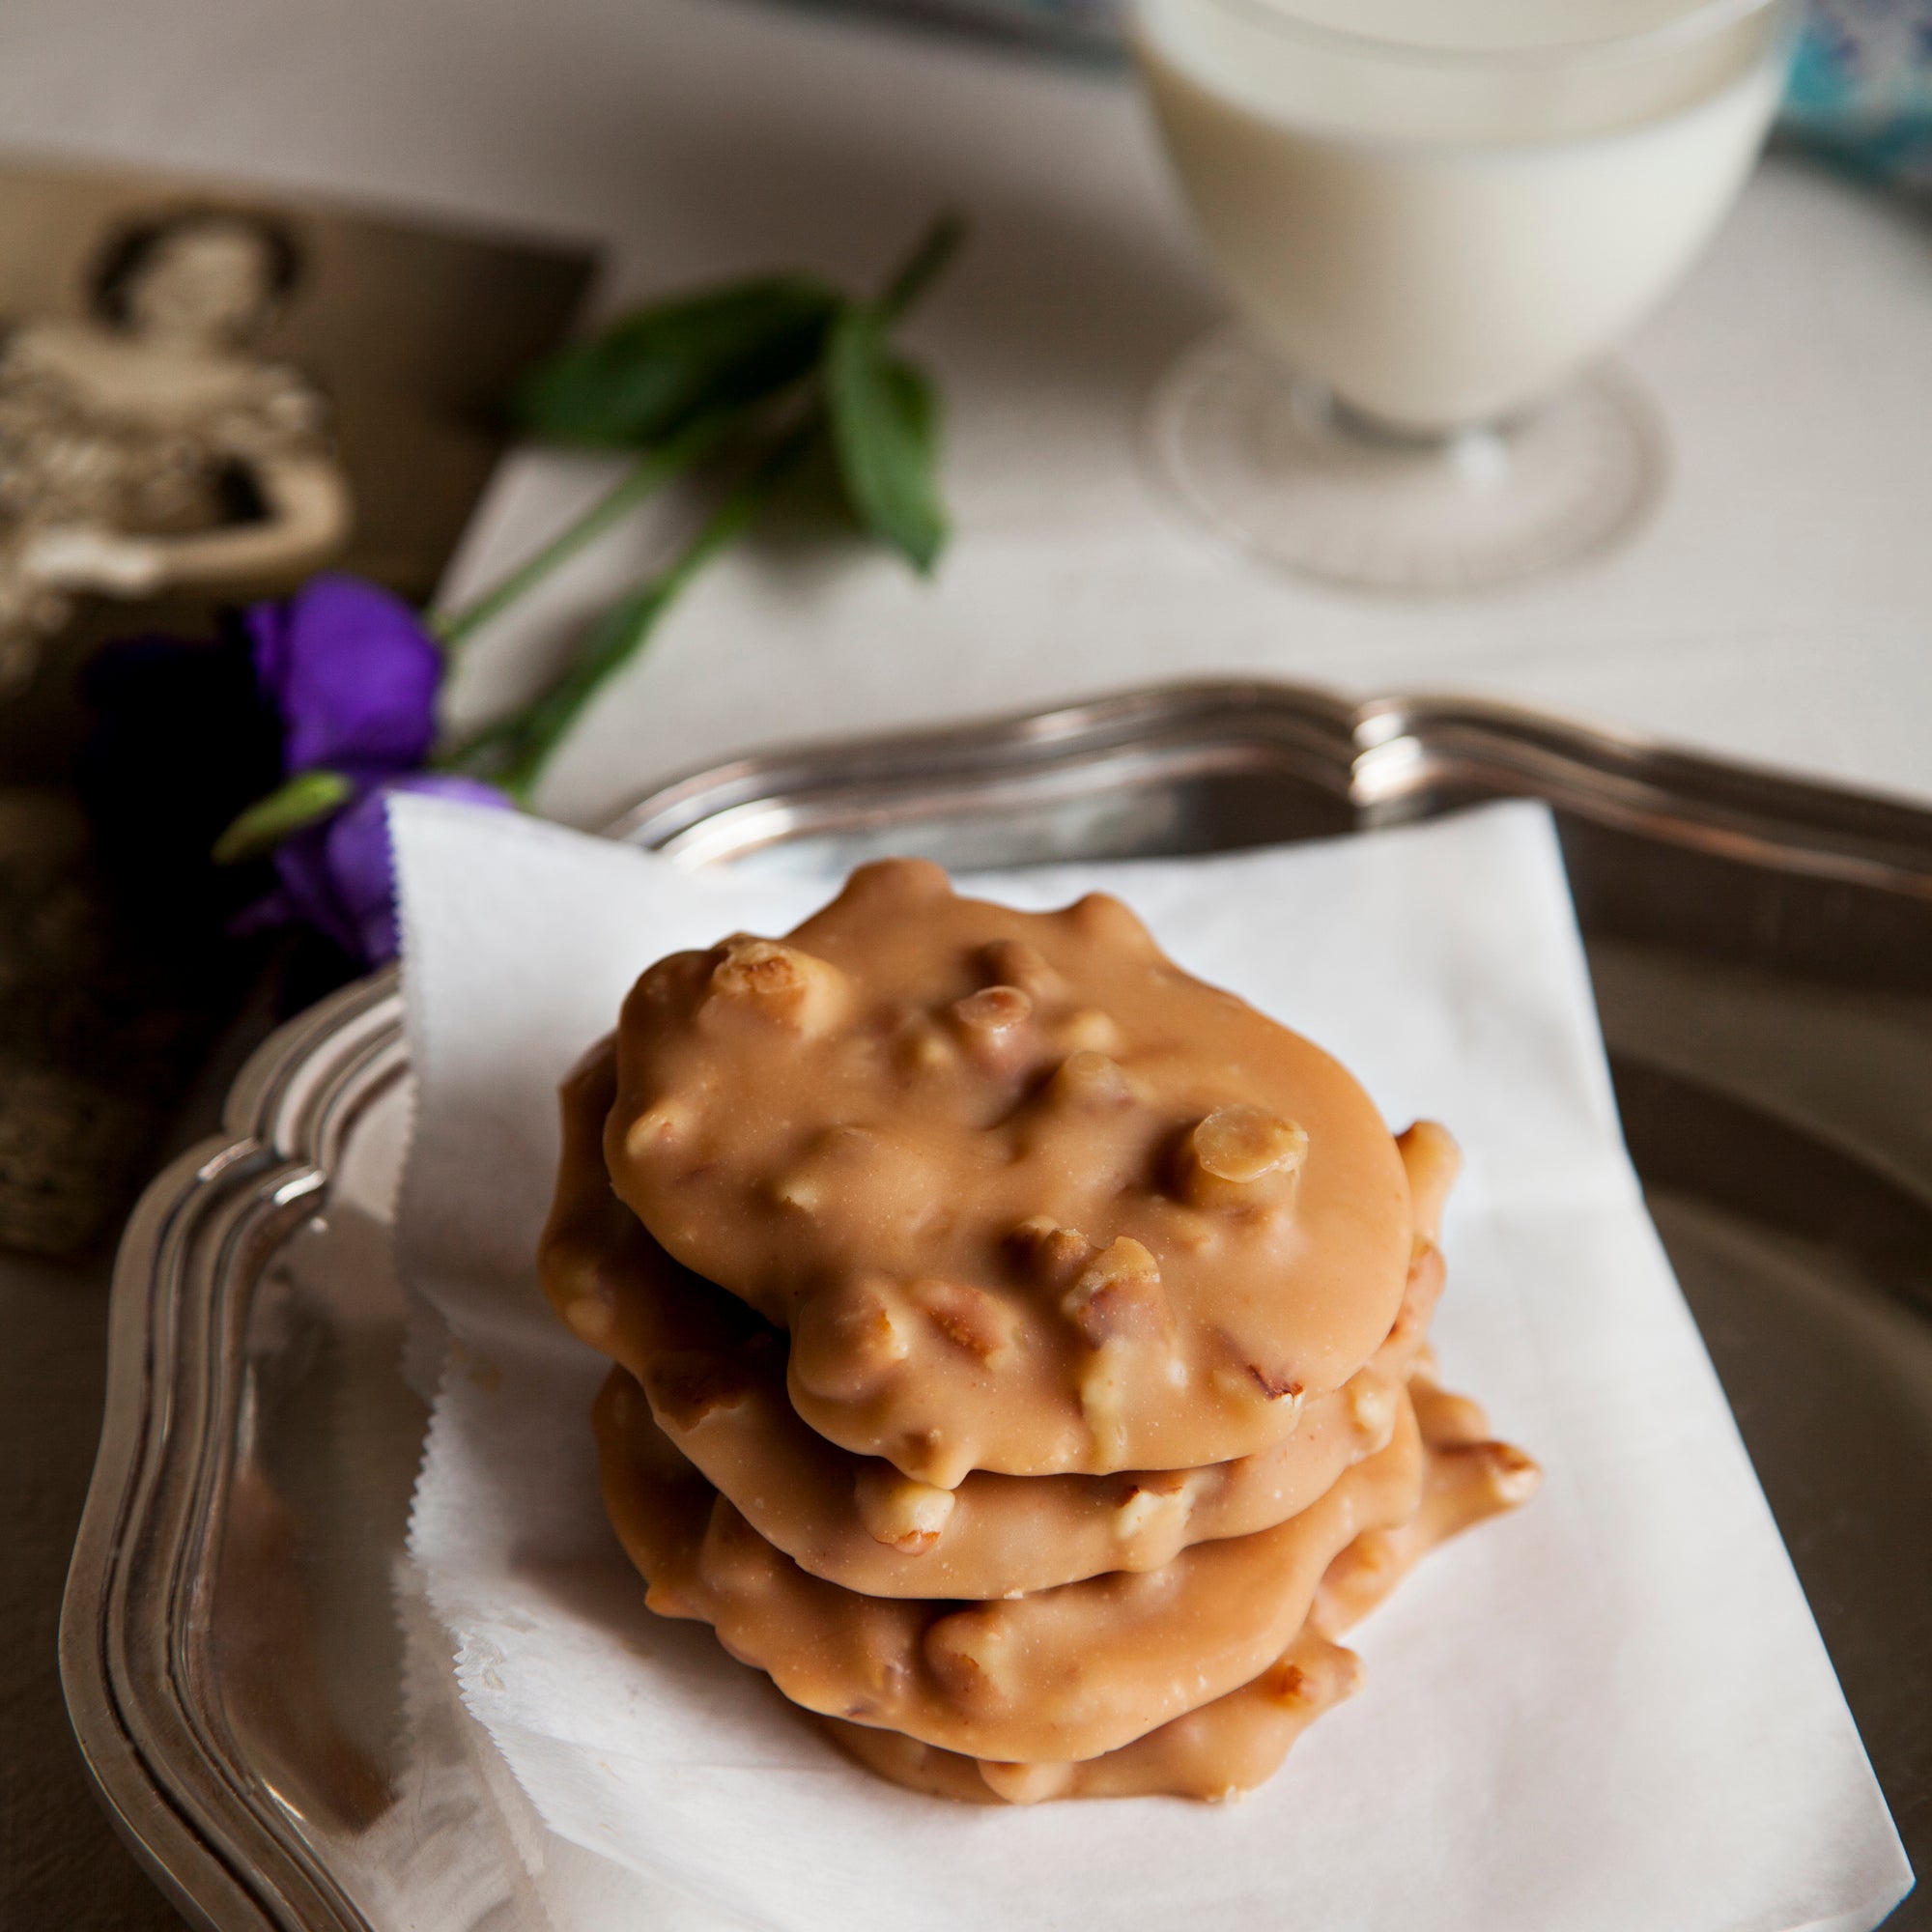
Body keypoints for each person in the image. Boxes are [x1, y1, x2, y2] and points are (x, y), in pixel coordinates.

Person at [0, 206, 353, 693]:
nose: (190, 286)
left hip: (30, 599)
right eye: (173, 262)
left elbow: (314, 528)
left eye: (226, 276)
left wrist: (144, 563)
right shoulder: (26, 345)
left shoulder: (261, 395)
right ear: (132, 271)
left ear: (263, 301)